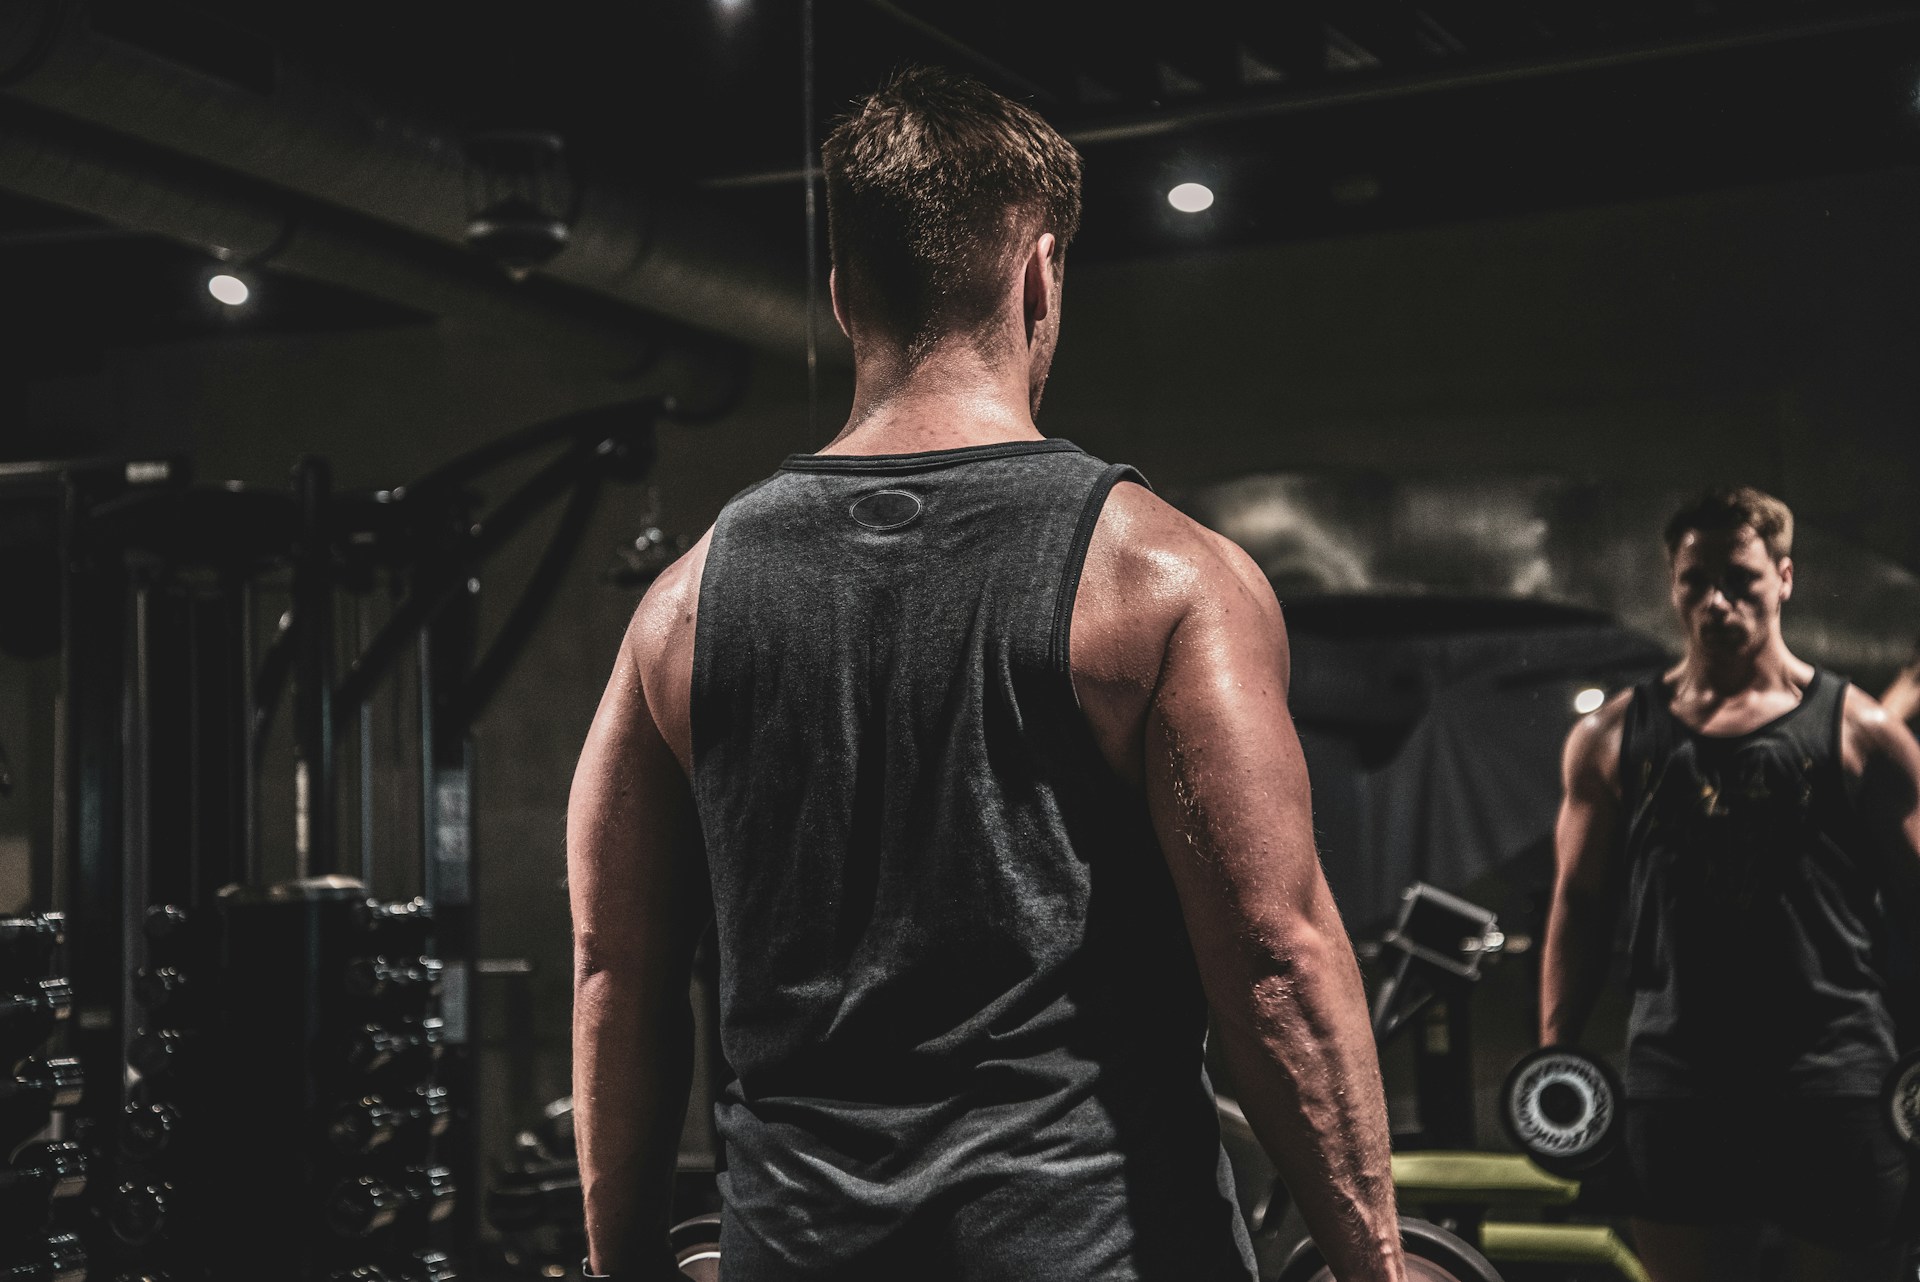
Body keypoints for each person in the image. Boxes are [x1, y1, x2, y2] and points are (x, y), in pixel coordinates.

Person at [566, 67, 1404, 1282]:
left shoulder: (681, 607)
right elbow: (1274, 963)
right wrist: (1374, 1266)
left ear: (845, 294)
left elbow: (613, 966)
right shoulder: (1160, 576)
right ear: (1040, 276)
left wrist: (621, 1267)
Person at [1540, 486, 1920, 1282]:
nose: (1716, 600)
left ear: (1784, 578)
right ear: (1673, 586)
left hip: (1835, 1080)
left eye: (1740, 578)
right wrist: (1555, 1054)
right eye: (1695, 579)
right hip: (1679, 1087)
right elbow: (1578, 906)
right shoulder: (1610, 737)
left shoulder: (1863, 733)